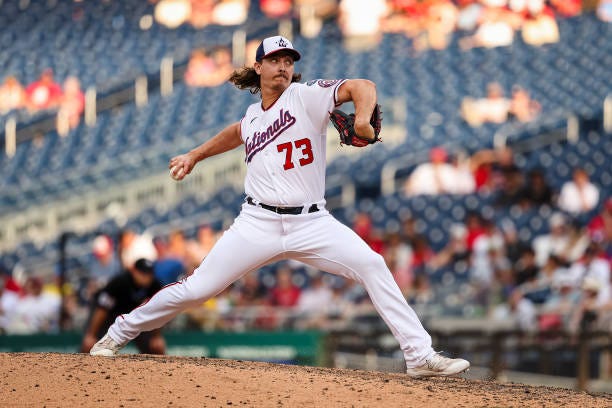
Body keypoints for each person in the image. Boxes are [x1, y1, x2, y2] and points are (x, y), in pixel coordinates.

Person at [90, 35, 469, 377]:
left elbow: (362, 86)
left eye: (289, 61)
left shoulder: (305, 96)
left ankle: (418, 354)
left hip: (311, 221)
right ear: (259, 67)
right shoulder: (254, 116)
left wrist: (365, 119)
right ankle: (117, 333)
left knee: (372, 264)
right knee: (195, 290)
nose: (284, 66)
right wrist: (195, 155)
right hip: (257, 222)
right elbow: (237, 132)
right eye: (275, 60)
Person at [81, 258, 165, 354]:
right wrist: (91, 335)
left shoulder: (154, 285)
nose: (146, 277)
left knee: (156, 347)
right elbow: (102, 309)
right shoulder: (120, 282)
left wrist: (156, 337)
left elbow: (157, 311)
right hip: (110, 316)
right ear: (134, 271)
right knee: (90, 345)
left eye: (149, 274)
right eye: (143, 273)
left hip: (135, 318)